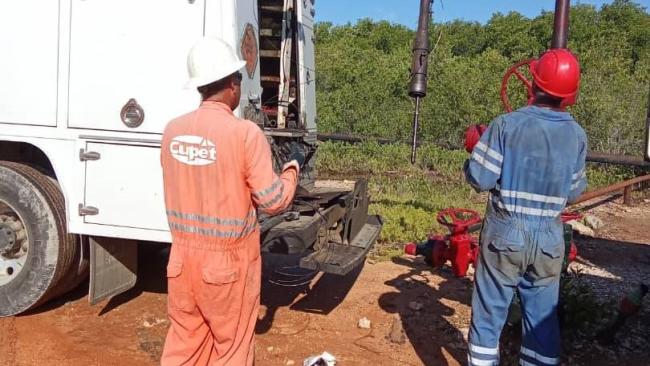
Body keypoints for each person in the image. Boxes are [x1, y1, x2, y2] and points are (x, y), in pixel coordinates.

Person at [159, 36, 303, 365]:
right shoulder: (244, 134)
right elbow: (273, 201)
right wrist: (292, 168)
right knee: (231, 349)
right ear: (231, 84)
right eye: (238, 78)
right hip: (227, 268)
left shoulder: (172, 131)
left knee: (184, 345)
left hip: (181, 262)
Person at [463, 49, 587, 366]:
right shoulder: (576, 135)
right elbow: (574, 192)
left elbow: (480, 178)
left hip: (506, 234)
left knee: (489, 314)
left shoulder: (506, 125)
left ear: (534, 82)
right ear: (569, 93)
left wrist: (475, 151)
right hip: (549, 239)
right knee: (542, 322)